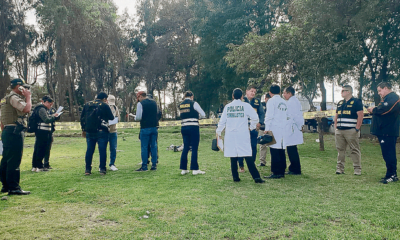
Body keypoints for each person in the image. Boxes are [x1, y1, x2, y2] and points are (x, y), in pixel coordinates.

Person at [216, 88, 264, 183]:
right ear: (242, 96)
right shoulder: (245, 106)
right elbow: (255, 117)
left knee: (233, 156)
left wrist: (218, 132)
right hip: (243, 134)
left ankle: (235, 177)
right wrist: (252, 127)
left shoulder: (228, 107)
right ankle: (256, 177)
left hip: (230, 134)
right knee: (247, 155)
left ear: (233, 96)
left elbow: (222, 122)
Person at [0, 78, 32, 195]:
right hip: (14, 131)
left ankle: (5, 185)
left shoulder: (5, 99)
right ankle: (14, 187)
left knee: (6, 159)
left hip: (7, 130)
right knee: (14, 160)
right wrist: (28, 97)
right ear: (19, 86)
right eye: (23, 87)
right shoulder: (14, 98)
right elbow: (26, 109)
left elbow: (2, 120)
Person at [368, 82, 400, 184]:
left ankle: (392, 175)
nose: (379, 93)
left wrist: (374, 109)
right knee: (386, 154)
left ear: (386, 88)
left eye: (380, 90)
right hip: (383, 131)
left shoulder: (393, 98)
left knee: (389, 153)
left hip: (388, 131)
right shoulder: (387, 99)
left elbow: (385, 109)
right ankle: (390, 174)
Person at [80, 92, 114, 175]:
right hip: (101, 130)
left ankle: (87, 169)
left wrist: (83, 129)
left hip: (89, 130)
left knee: (89, 150)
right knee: (102, 150)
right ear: (105, 99)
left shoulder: (87, 104)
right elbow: (111, 117)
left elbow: (82, 118)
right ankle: (102, 169)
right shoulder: (104, 105)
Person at [334, 85, 363, 175]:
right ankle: (340, 169)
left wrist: (357, 128)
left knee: (354, 150)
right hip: (339, 130)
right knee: (340, 150)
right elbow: (336, 115)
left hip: (351, 130)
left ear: (348, 92)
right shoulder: (340, 103)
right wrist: (336, 127)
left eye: (343, 91)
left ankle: (357, 169)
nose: (341, 93)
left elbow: (360, 116)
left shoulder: (356, 102)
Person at [237, 86, 265, 172]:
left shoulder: (257, 102)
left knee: (253, 146)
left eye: (254, 92)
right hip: (243, 127)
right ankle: (241, 165)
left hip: (253, 128)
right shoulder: (241, 100)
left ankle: (251, 165)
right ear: (246, 91)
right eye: (251, 91)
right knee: (241, 146)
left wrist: (260, 122)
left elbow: (261, 113)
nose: (253, 93)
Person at [264, 84, 288, 179]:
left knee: (274, 149)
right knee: (282, 149)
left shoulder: (271, 101)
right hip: (284, 127)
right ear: (279, 92)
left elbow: (269, 115)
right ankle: (282, 170)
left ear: (270, 93)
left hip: (274, 128)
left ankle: (276, 171)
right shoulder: (284, 101)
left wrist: (266, 128)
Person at [179, 91, 206, 175]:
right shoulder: (194, 103)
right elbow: (203, 114)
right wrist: (199, 117)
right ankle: (195, 169)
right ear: (192, 96)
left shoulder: (181, 105)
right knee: (194, 147)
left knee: (185, 147)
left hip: (184, 127)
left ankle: (184, 169)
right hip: (193, 127)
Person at [31, 96, 60, 172]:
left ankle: (35, 166)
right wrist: (54, 117)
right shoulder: (42, 109)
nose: (50, 105)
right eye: (49, 103)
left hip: (40, 130)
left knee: (37, 148)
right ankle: (39, 166)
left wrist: (52, 116)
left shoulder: (40, 108)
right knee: (41, 149)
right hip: (42, 131)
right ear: (44, 102)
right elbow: (46, 119)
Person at [135, 91, 159, 171]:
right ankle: (154, 165)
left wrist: (135, 118)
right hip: (154, 127)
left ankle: (144, 166)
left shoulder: (140, 104)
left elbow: (138, 117)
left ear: (141, 96)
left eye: (138, 98)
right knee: (154, 146)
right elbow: (158, 113)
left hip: (145, 127)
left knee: (144, 147)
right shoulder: (154, 102)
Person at [283, 86, 304, 175]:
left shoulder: (292, 102)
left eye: (284, 93)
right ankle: (293, 167)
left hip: (293, 128)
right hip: (292, 127)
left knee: (292, 149)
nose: (283, 95)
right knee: (291, 148)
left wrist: (299, 126)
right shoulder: (292, 101)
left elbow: (295, 116)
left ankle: (295, 169)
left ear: (289, 93)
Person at [107, 95, 120, 171]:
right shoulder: (104, 107)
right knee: (103, 149)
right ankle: (102, 165)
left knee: (113, 148)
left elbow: (118, 118)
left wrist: (113, 121)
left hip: (113, 131)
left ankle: (112, 164)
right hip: (105, 131)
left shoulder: (115, 108)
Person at [258, 93, 271, 167]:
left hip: (270, 128)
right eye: (267, 99)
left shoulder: (273, 105)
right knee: (262, 145)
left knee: (272, 145)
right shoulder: (262, 105)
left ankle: (273, 161)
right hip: (262, 128)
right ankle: (262, 161)